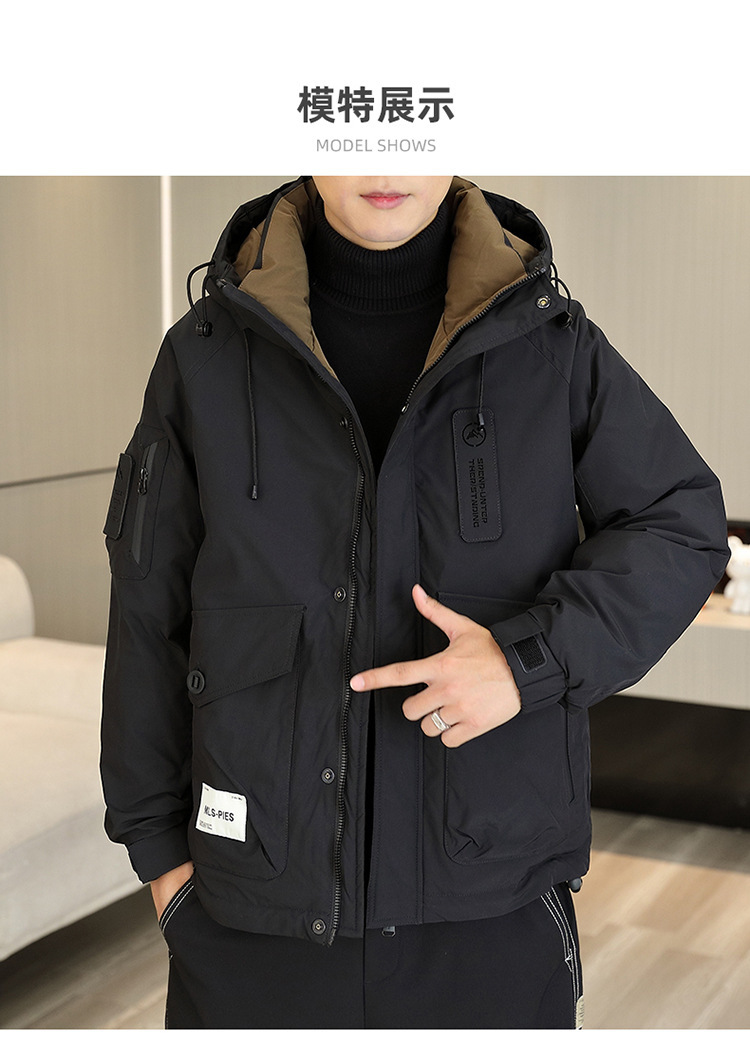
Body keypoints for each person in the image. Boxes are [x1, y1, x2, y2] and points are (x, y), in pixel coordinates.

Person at [100, 175, 729, 1030]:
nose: (385, 157)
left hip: (491, 906)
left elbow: (680, 522)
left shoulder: (550, 343)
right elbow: (148, 605)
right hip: (250, 915)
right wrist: (160, 858)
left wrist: (528, 659)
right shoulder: (204, 354)